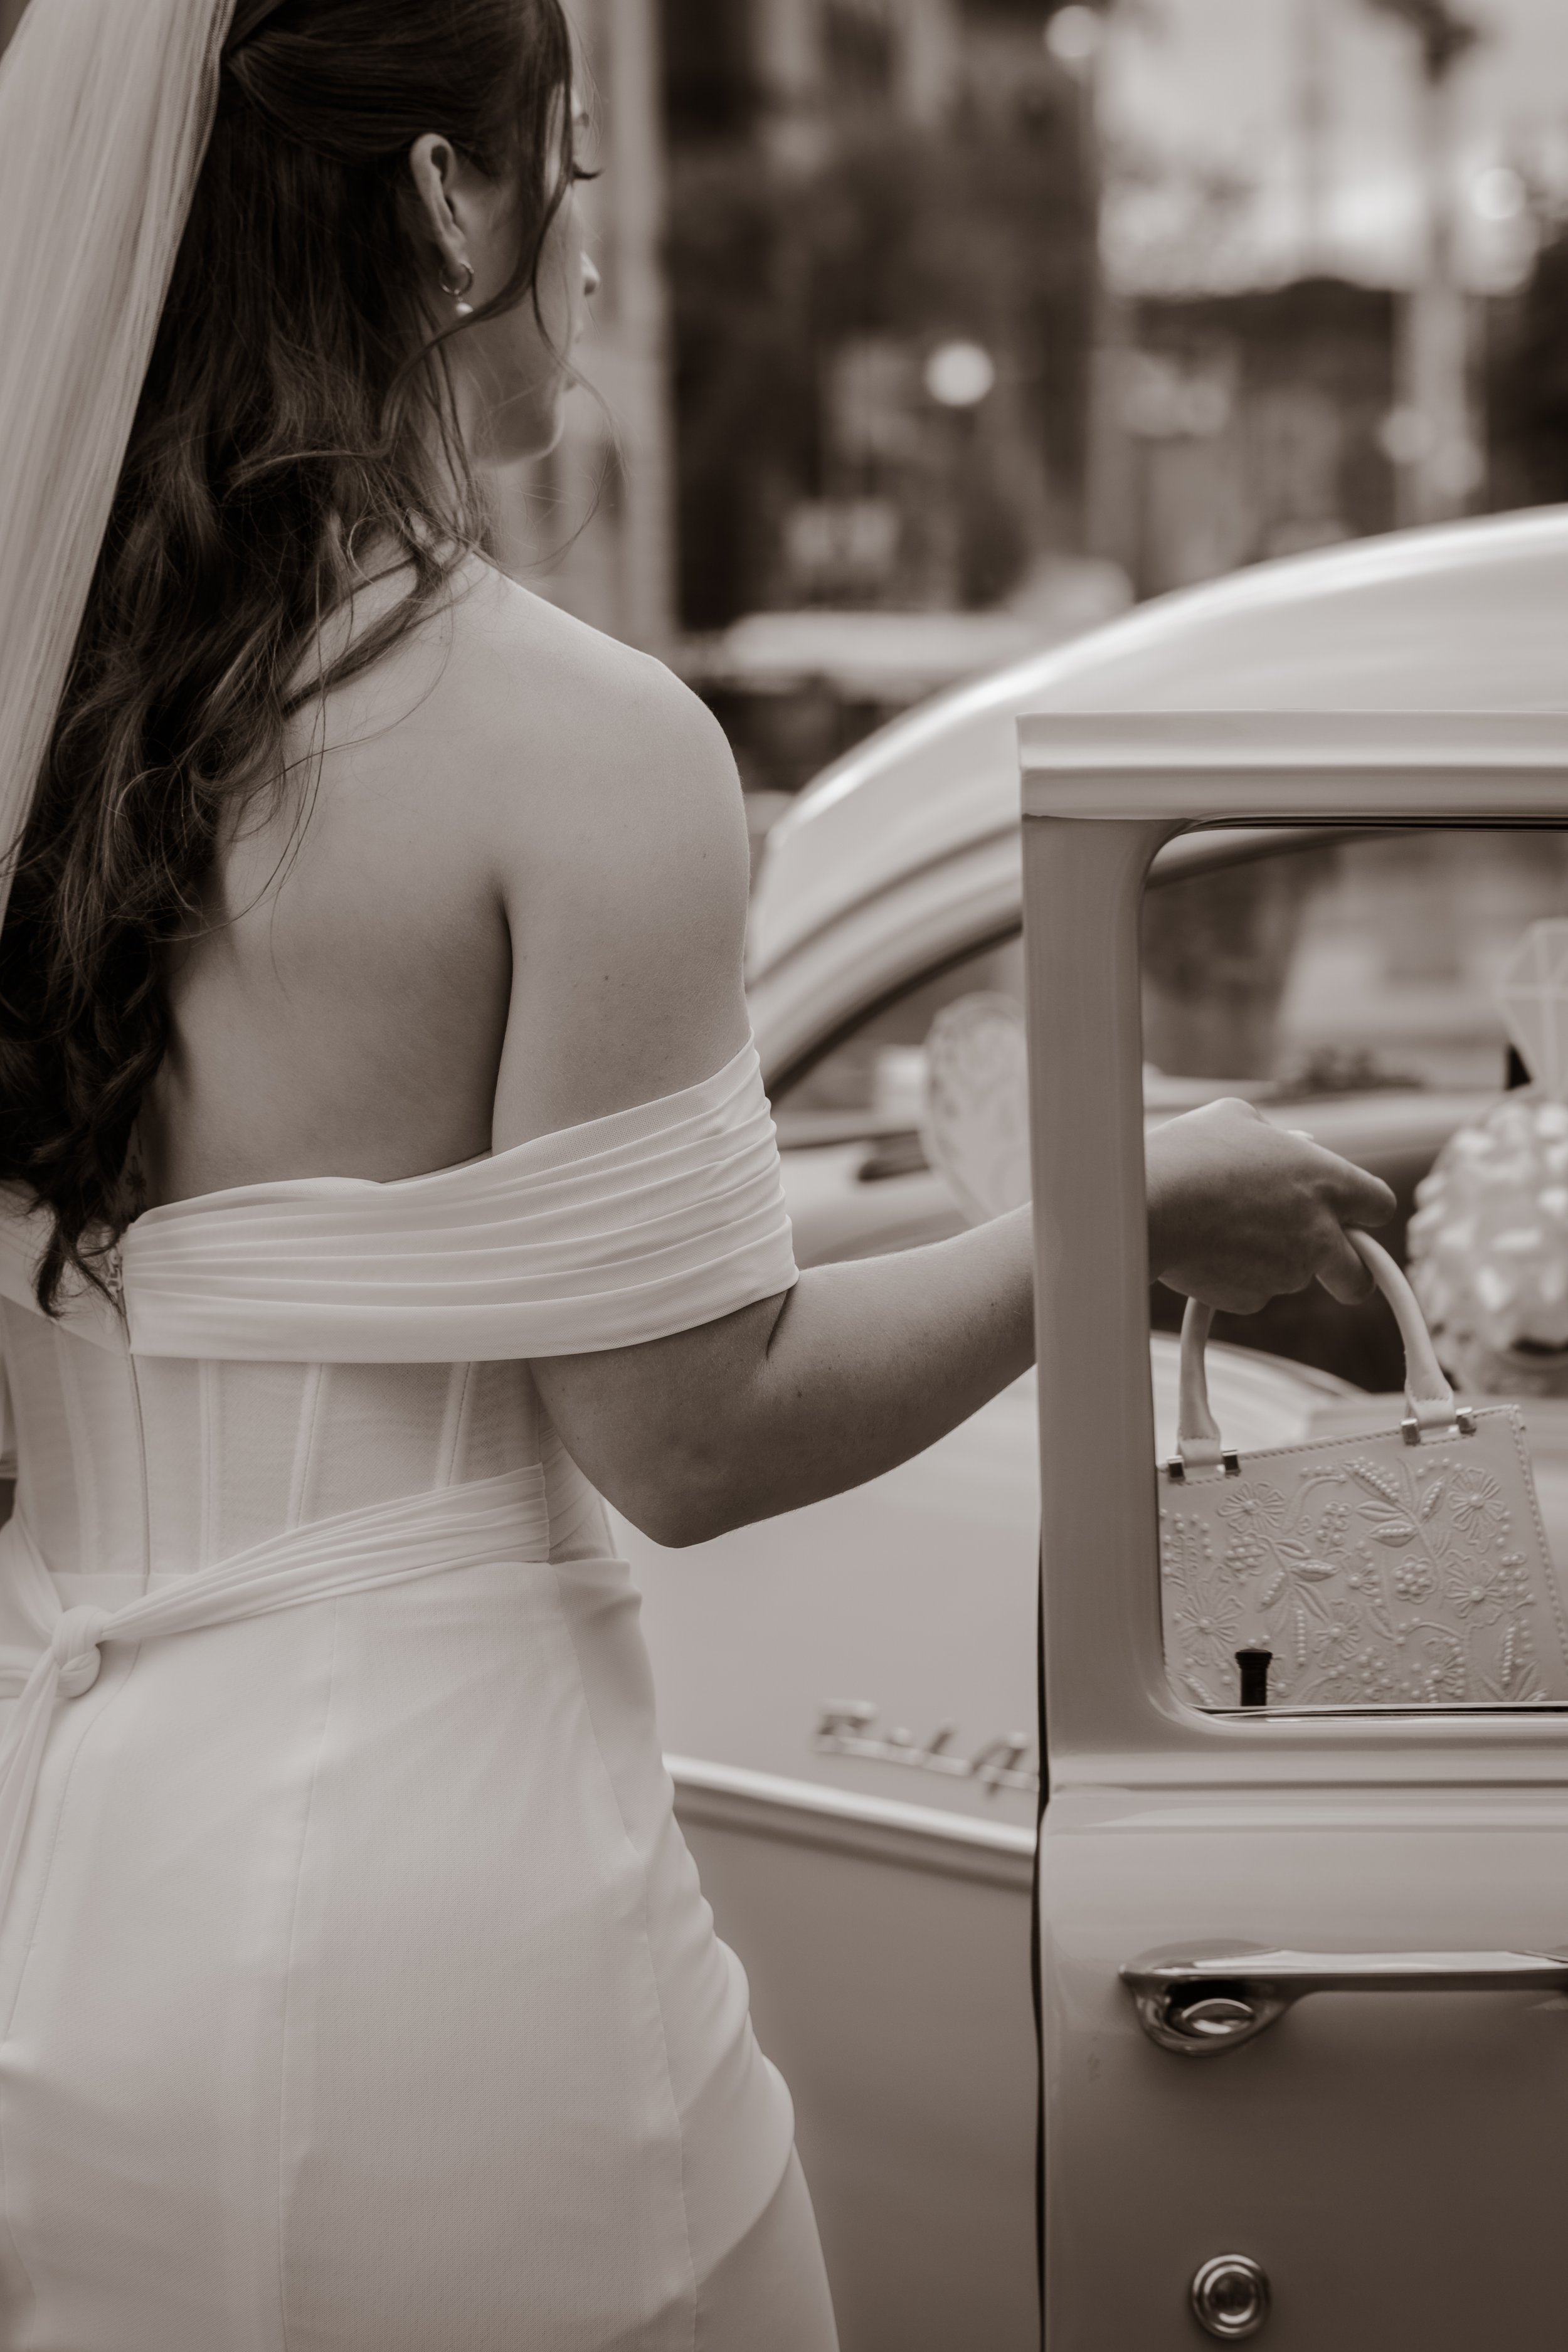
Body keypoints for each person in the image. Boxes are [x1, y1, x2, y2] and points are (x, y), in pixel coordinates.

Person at [0, 2, 1394, 2344]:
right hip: (435, 1912)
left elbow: (365, 1274)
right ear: (450, 203)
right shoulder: (571, 737)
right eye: (577, 180)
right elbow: (684, 1425)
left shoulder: (45, 728)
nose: (594, 253)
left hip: (71, 1883)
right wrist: (1115, 1227)